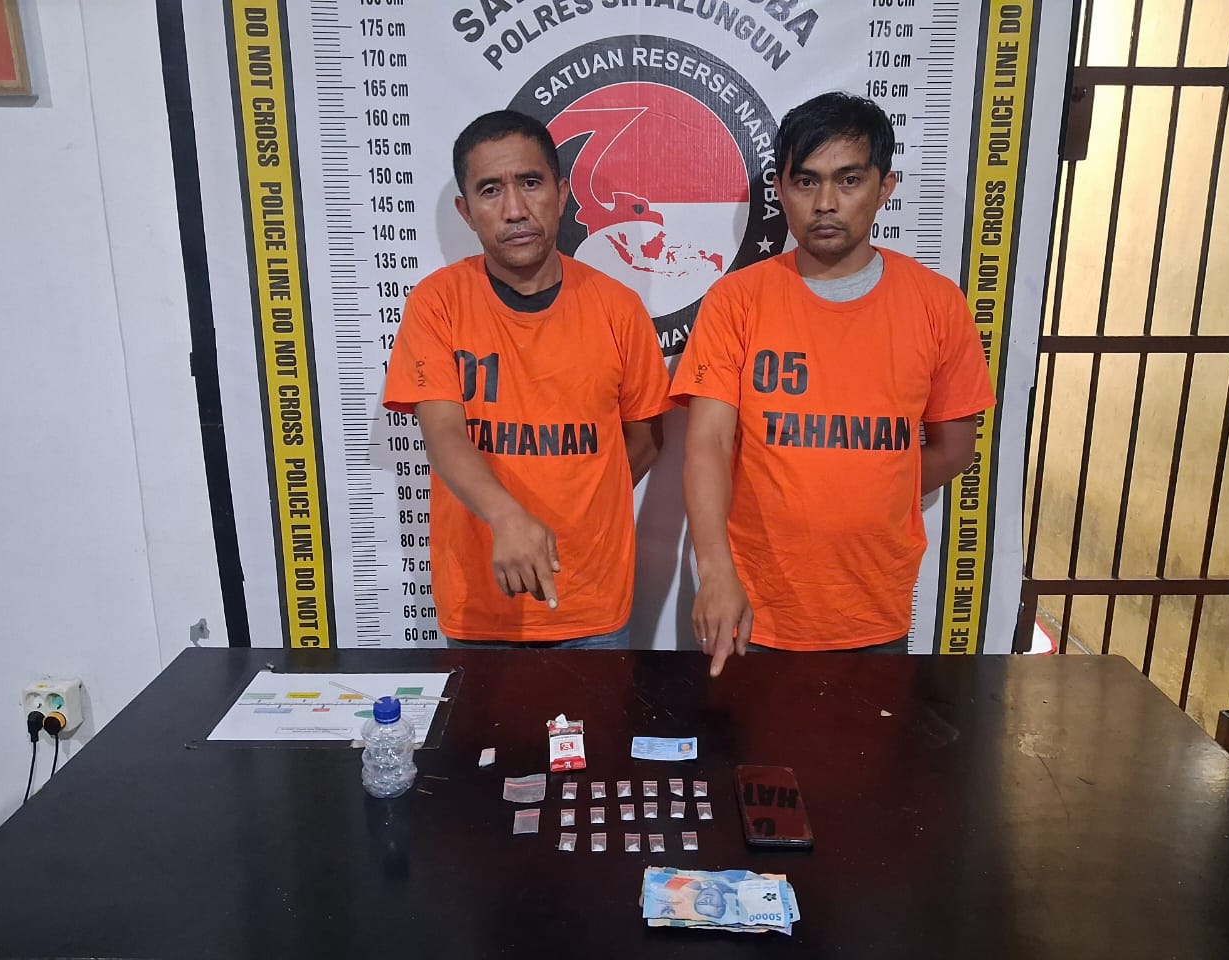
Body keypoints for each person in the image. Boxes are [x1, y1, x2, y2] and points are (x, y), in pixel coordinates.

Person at [670, 92, 996, 675]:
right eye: (806, 181)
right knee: (742, 738)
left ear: (884, 186)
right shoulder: (736, 301)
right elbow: (708, 444)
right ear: (780, 189)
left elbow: (954, 448)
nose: (825, 203)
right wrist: (714, 571)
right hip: (749, 606)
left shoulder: (936, 305)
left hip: (873, 605)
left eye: (848, 180)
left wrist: (869, 486)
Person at [383, 110, 671, 648]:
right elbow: (442, 435)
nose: (515, 209)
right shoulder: (437, 303)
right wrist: (507, 518)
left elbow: (646, 439)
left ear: (561, 195)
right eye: (491, 191)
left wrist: (583, 507)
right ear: (467, 213)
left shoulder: (618, 308)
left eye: (531, 183)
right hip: (479, 603)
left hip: (591, 601)